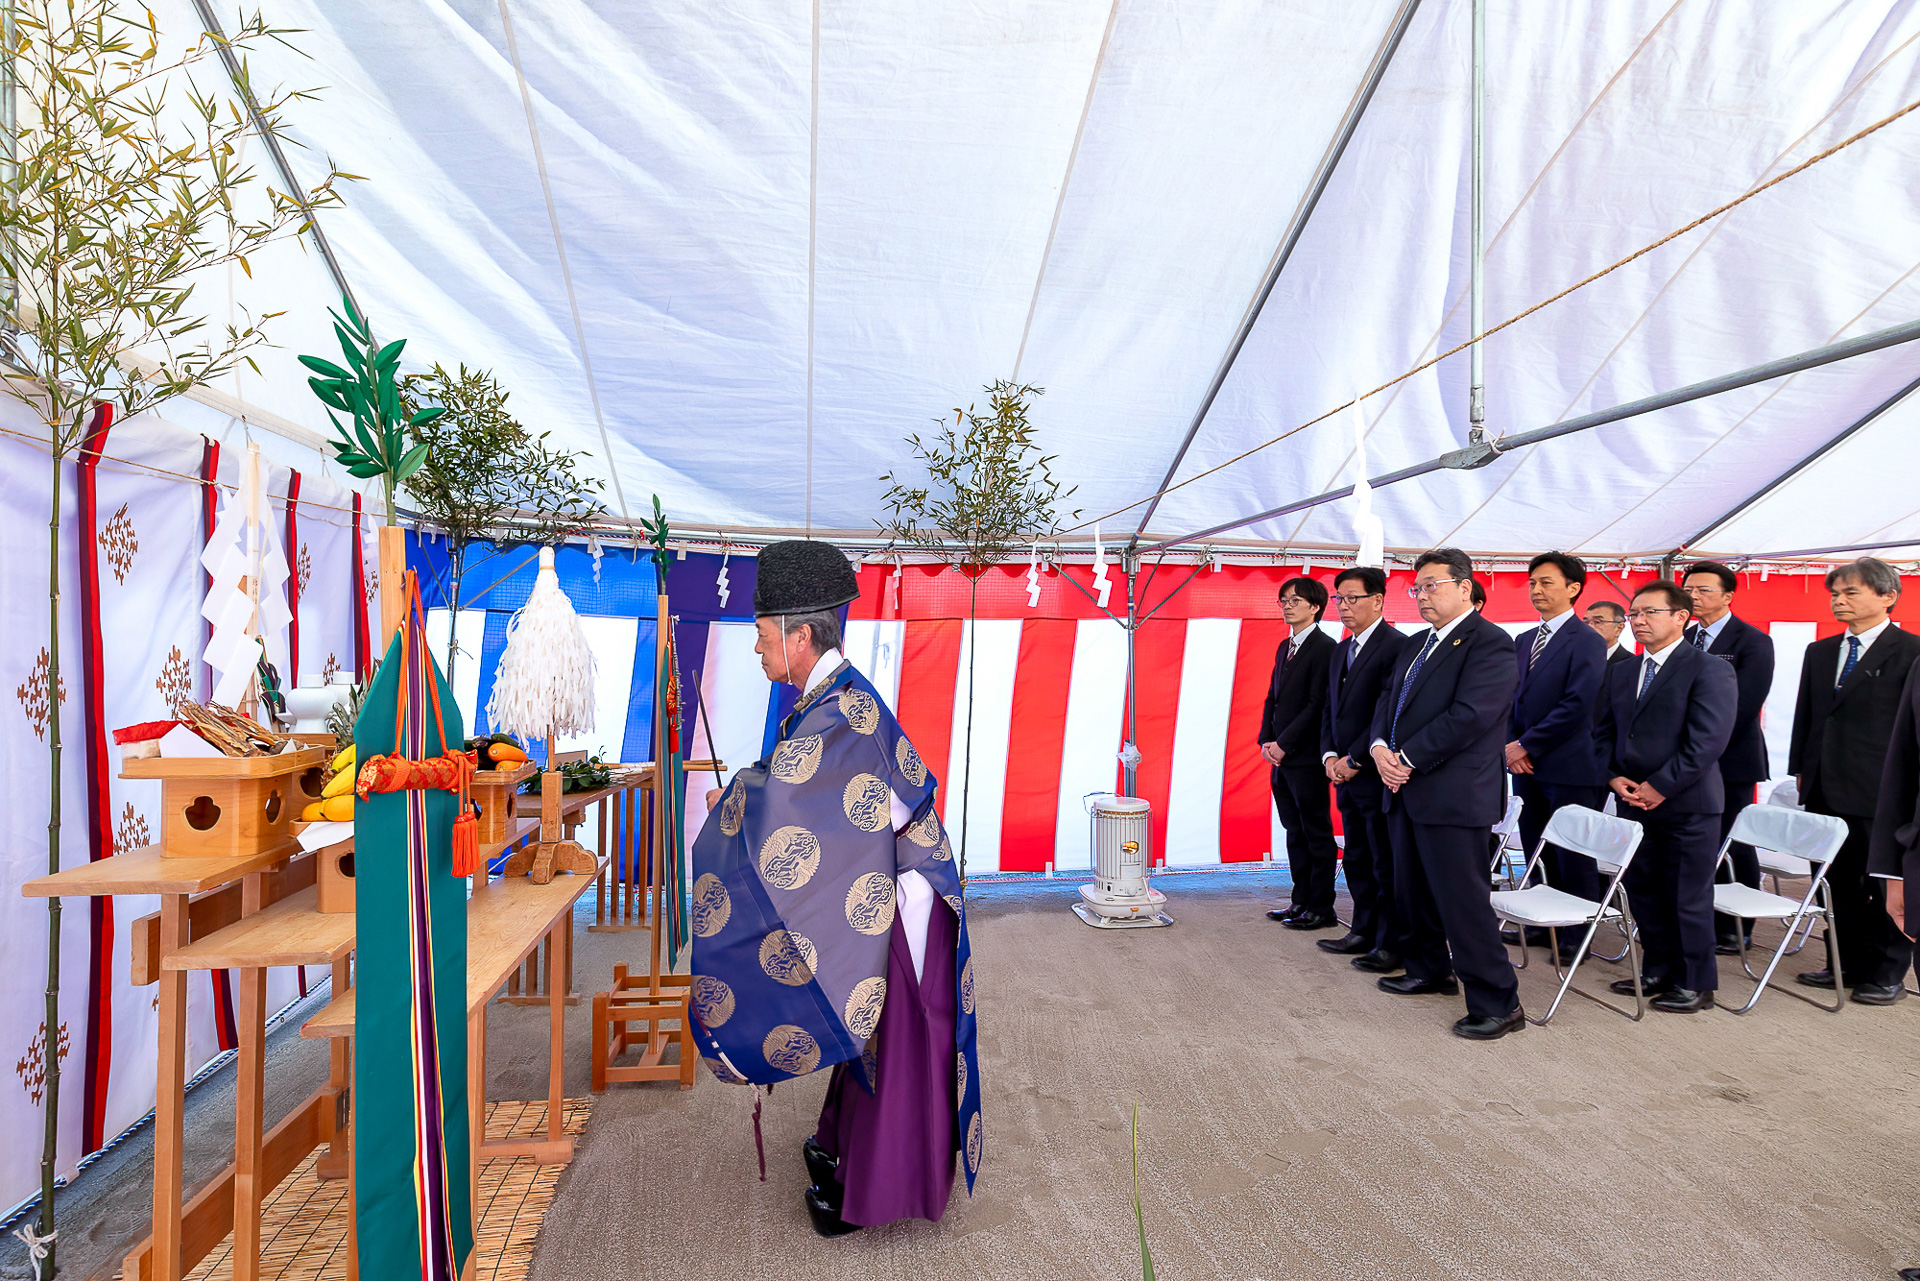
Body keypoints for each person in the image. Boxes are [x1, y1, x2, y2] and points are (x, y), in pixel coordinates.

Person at [690, 540, 981, 1236]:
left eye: (764, 638)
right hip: (893, 889)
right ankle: (844, 1147)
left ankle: (873, 1195)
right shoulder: (833, 699)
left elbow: (783, 799)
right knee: (860, 1027)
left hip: (908, 904)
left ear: (800, 634)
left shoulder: (844, 714)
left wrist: (728, 806)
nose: (759, 652)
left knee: (896, 1046)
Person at [1369, 548, 1524, 1039]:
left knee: (1463, 902)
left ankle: (1498, 1002)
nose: (1422, 595)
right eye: (1417, 587)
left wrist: (1406, 758)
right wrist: (1377, 748)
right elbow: (1385, 704)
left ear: (1465, 586)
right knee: (1411, 891)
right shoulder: (1415, 644)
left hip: (1454, 793)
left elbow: (1472, 714)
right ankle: (1428, 969)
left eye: (1432, 584)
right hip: (1403, 787)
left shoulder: (1491, 642)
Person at [1595, 580, 1736, 1013]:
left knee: (1686, 894)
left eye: (1650, 612)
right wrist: (1613, 776)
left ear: (1681, 616)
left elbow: (1708, 740)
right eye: (1634, 613)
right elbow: (1602, 733)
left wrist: (1661, 785)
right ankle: (1657, 968)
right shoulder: (1620, 670)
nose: (1639, 620)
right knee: (1643, 888)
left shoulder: (1708, 668)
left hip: (1688, 803)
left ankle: (1695, 981)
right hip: (1631, 800)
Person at [1787, 558, 1920, 1005]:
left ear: (1887, 596)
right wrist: (1801, 772)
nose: (1839, 601)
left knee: (1885, 884)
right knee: (1835, 883)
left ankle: (1887, 972)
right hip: (1825, 786)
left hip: (1881, 790)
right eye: (1835, 593)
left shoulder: (1911, 651)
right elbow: (1806, 715)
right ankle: (1842, 963)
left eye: (1851, 592)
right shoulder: (1820, 651)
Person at [1506, 553, 1609, 950]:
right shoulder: (1524, 640)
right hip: (1525, 765)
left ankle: (1575, 934)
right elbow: (1510, 699)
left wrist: (1525, 743)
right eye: (1532, 583)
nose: (1536, 590)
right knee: (1536, 847)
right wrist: (1509, 744)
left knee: (1573, 854)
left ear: (1573, 589)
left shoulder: (1587, 640)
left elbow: (1577, 703)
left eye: (1546, 582)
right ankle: (1540, 923)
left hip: (1569, 764)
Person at [1318, 566, 1412, 969]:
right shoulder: (1342, 647)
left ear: (1378, 600)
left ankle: (1389, 942)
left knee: (1383, 859)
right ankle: (1362, 928)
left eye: (1352, 597)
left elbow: (1386, 714)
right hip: (1343, 771)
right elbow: (1330, 710)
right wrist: (1328, 757)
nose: (1343, 606)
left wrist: (1354, 759)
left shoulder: (1397, 646)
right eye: (1339, 598)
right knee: (1355, 855)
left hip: (1374, 773)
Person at [1682, 560, 1775, 951]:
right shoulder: (1684, 638)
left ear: (1728, 596)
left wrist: (1701, 748)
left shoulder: (1751, 641)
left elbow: (1744, 705)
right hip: (1686, 760)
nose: (1694, 596)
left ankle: (1738, 928)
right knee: (1697, 843)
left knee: (1733, 841)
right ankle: (1702, 916)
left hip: (1731, 760)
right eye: (1688, 589)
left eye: (1703, 590)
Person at [1261, 577, 1340, 929]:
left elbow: (1316, 705)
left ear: (1315, 607)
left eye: (1295, 600)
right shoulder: (1283, 646)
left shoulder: (1325, 647)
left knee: (1315, 831)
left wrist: (1285, 743)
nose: (1287, 605)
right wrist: (1266, 739)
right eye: (1283, 600)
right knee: (1293, 829)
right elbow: (1272, 698)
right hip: (1280, 756)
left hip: (1306, 755)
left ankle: (1321, 907)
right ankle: (1300, 899)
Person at [1584, 599, 1634, 669]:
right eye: (1586, 622)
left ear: (1619, 628)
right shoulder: (1576, 658)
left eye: (1597, 622)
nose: (1589, 627)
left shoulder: (1632, 664)